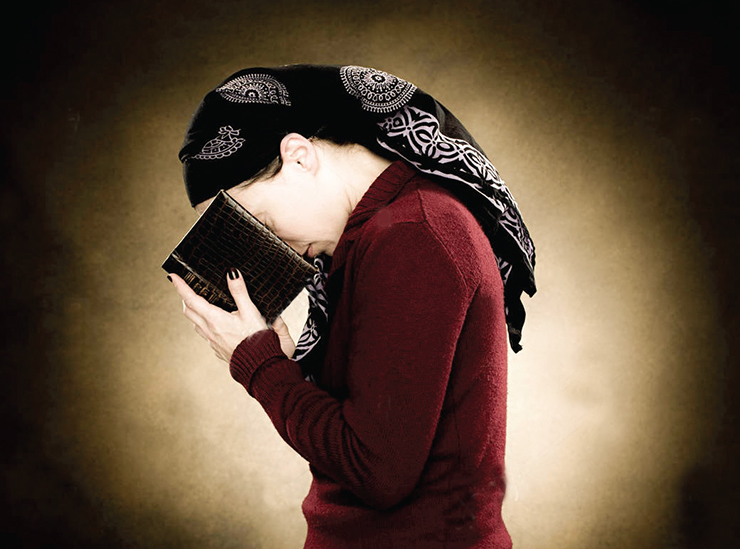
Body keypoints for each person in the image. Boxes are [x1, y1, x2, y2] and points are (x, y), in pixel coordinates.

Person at [169, 65, 536, 548]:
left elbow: (376, 472)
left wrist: (259, 364)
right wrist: (283, 364)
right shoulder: (375, 234)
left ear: (299, 157)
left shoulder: (413, 233)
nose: (267, 246)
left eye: (259, 223)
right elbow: (363, 434)